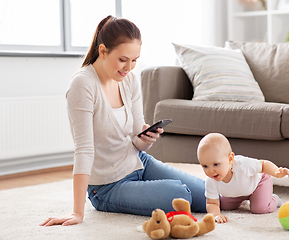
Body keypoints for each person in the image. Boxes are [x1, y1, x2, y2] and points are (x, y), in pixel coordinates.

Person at [41, 15, 206, 227]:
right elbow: (83, 150)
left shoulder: (128, 81)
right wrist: (77, 212)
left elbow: (137, 142)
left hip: (138, 163)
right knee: (179, 194)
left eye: (135, 60)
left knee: (206, 192)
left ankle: (253, 185)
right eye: (123, 59)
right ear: (102, 51)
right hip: (107, 185)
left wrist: (147, 137)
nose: (129, 67)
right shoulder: (83, 85)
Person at [197, 133, 289, 224]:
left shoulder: (243, 165)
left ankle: (273, 198)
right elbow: (212, 203)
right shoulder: (211, 181)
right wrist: (215, 214)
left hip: (258, 183)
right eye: (205, 166)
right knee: (224, 205)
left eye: (216, 164)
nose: (211, 171)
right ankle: (244, 199)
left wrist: (276, 172)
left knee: (260, 209)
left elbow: (263, 165)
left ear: (230, 159)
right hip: (240, 190)